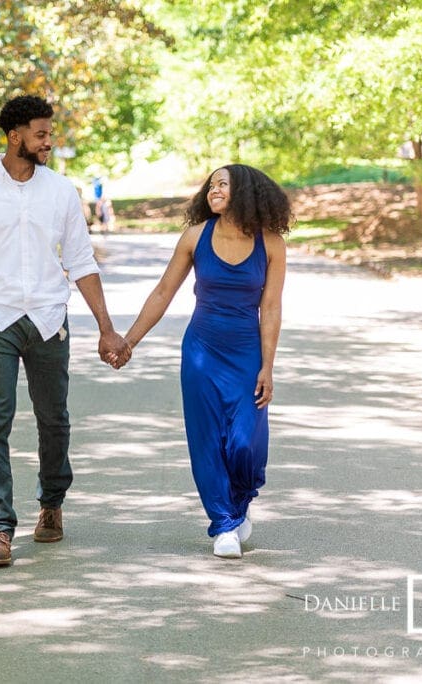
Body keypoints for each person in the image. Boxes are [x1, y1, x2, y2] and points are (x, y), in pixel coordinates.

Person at [0, 94, 129, 568]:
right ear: (15, 135)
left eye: (50, 133)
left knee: (54, 419)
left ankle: (51, 504)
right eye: (41, 134)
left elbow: (81, 261)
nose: (49, 141)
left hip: (49, 317)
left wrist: (107, 329)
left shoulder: (61, 191)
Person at [116, 164, 290, 559]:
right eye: (211, 185)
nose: (214, 190)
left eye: (223, 185)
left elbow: (272, 307)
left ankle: (239, 502)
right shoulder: (196, 237)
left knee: (246, 442)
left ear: (244, 192)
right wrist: (129, 341)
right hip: (201, 352)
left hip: (247, 353)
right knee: (207, 439)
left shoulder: (272, 244)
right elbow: (163, 292)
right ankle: (224, 524)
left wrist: (268, 365)